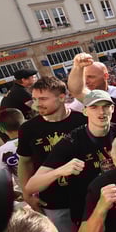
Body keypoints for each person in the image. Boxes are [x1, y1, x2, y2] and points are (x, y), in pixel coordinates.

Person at [27, 90, 116, 232]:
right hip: (87, 209)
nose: (101, 112)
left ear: (113, 109)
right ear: (85, 111)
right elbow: (32, 186)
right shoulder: (71, 141)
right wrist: (60, 171)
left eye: (106, 107)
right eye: (94, 107)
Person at [17, 76, 88, 216]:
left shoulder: (82, 121)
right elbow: (25, 162)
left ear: (62, 97)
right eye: (35, 99)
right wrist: (27, 194)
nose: (37, 104)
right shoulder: (28, 129)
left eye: (43, 99)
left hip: (88, 195)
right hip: (53, 202)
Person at [0, 107, 26, 200]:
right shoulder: (37, 139)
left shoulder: (0, 153)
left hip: (29, 193)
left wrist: (15, 194)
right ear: (24, 122)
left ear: (1, 129)